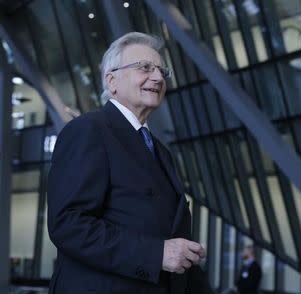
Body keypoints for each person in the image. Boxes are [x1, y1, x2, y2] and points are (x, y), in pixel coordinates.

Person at [46, 32, 205, 294]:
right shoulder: (88, 129)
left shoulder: (160, 151)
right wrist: (156, 255)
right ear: (112, 80)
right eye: (145, 68)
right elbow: (68, 224)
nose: (157, 77)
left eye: (161, 71)